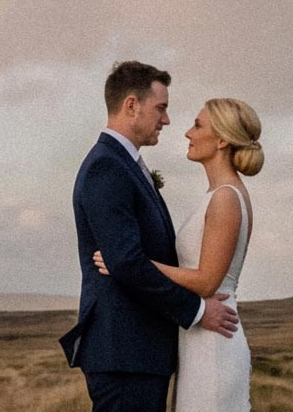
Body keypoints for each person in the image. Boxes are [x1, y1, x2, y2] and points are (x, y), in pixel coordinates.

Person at [60, 61, 241, 412]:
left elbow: (129, 261)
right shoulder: (107, 167)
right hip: (125, 352)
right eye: (161, 108)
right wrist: (197, 311)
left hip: (139, 354)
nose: (167, 120)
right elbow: (125, 263)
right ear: (131, 105)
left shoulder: (124, 165)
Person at [92, 94, 262, 412]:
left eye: (198, 125)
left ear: (222, 140)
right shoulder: (216, 194)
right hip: (197, 340)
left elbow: (206, 282)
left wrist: (131, 264)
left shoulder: (226, 198)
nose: (187, 132)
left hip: (214, 344)